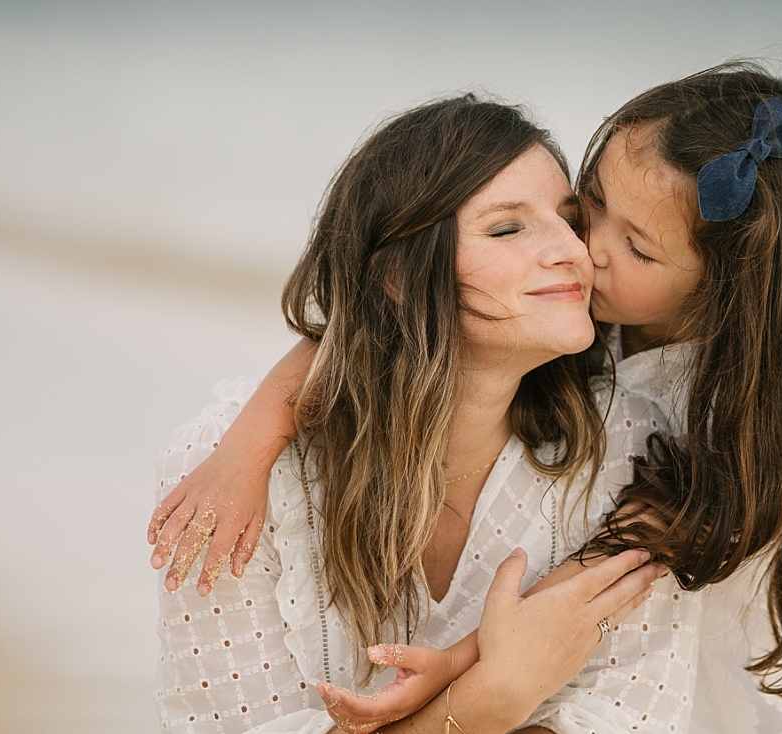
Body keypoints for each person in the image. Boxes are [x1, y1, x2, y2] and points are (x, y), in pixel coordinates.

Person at [152, 63, 782, 732]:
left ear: (722, 290)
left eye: (637, 248)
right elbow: (360, 345)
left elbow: (597, 591)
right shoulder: (590, 324)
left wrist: (479, 680)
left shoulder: (701, 447)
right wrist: (249, 441)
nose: (582, 248)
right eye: (588, 208)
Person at [153, 95, 676, 733]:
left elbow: (626, 717)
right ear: (398, 276)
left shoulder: (630, 448)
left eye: (571, 219)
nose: (575, 251)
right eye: (508, 228)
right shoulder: (231, 468)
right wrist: (493, 699)